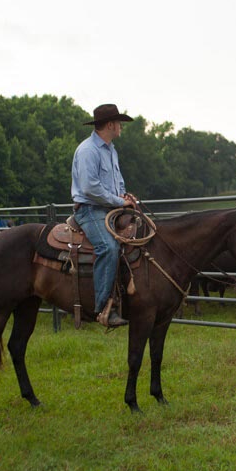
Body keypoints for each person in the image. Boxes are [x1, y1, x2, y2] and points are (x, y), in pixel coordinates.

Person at [71, 103, 136, 327]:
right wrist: (120, 201)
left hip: (110, 208)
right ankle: (103, 308)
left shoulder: (110, 150)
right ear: (110, 125)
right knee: (108, 248)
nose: (121, 127)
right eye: (119, 123)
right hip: (90, 210)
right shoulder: (88, 150)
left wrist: (124, 196)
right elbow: (90, 188)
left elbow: (117, 182)